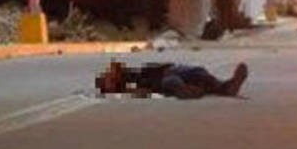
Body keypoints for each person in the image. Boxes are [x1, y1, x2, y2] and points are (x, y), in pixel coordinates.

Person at [95, 60, 248, 99]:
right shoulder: (130, 78)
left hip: (168, 75)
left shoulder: (132, 75)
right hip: (167, 76)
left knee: (199, 75)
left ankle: (226, 87)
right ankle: (223, 87)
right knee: (195, 74)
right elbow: (138, 89)